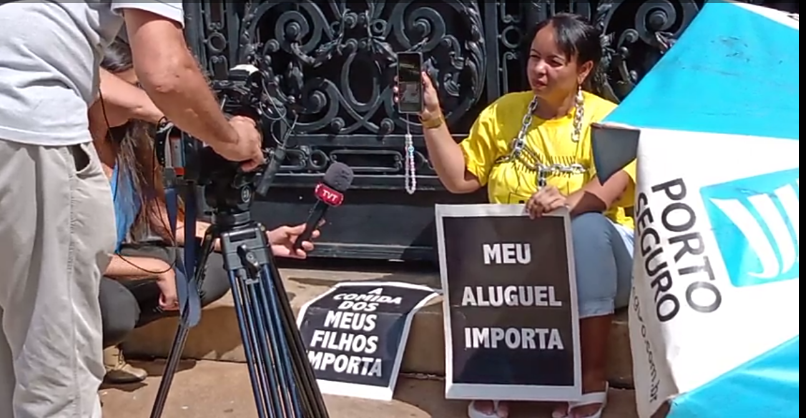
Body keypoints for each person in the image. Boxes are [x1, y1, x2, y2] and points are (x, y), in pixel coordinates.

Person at [0, 3, 264, 417]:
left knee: (12, 360)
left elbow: (161, 219)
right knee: (55, 366)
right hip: (24, 133)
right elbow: (168, 72)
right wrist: (233, 138)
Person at [396, 14, 636, 418]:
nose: (539, 70)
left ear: (585, 70)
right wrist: (432, 117)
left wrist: (566, 203)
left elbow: (606, 192)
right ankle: (497, 375)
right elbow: (460, 178)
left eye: (555, 62)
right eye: (533, 58)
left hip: (603, 268)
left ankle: (591, 377)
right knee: (487, 235)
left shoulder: (610, 119)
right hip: (527, 266)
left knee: (588, 227)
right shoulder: (505, 112)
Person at [91, 38, 321, 384]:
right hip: (73, 271)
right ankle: (93, 343)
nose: (144, 100)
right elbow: (65, 254)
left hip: (114, 263)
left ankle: (100, 334)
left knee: (213, 268)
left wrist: (256, 239)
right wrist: (155, 268)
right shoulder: (62, 154)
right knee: (118, 310)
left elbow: (168, 224)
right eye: (134, 89)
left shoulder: (132, 143)